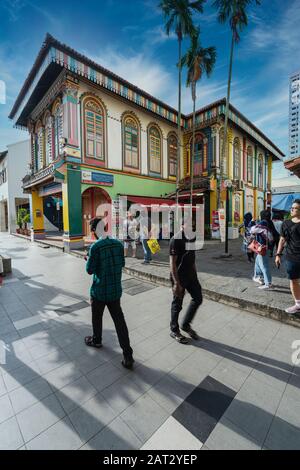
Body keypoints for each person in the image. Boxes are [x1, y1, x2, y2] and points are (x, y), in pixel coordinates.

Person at [85, 217, 134, 369]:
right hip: (115, 291)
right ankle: (127, 355)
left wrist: (88, 258)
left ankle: (97, 340)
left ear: (94, 231)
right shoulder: (118, 244)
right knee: (120, 322)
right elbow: (122, 264)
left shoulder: (96, 247)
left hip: (99, 291)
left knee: (97, 317)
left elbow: (89, 270)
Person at [169, 218, 203, 343]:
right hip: (179, 276)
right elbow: (172, 263)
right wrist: (176, 283)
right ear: (182, 225)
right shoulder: (175, 240)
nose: (190, 228)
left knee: (198, 298)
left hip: (191, 275)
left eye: (191, 225)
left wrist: (195, 275)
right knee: (177, 304)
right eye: (187, 225)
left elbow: (191, 256)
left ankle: (185, 325)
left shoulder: (192, 237)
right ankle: (174, 330)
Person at [276, 200, 300, 314]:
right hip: (291, 257)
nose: (292, 209)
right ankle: (298, 304)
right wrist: (278, 254)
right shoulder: (286, 223)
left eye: (295, 208)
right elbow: (282, 239)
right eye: (292, 207)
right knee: (293, 280)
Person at [251, 210, 274, 290]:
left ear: (262, 215)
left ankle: (268, 283)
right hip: (265, 247)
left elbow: (253, 230)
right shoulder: (269, 222)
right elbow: (271, 238)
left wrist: (253, 223)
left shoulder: (263, 222)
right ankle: (258, 276)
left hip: (262, 247)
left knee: (264, 266)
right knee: (257, 262)